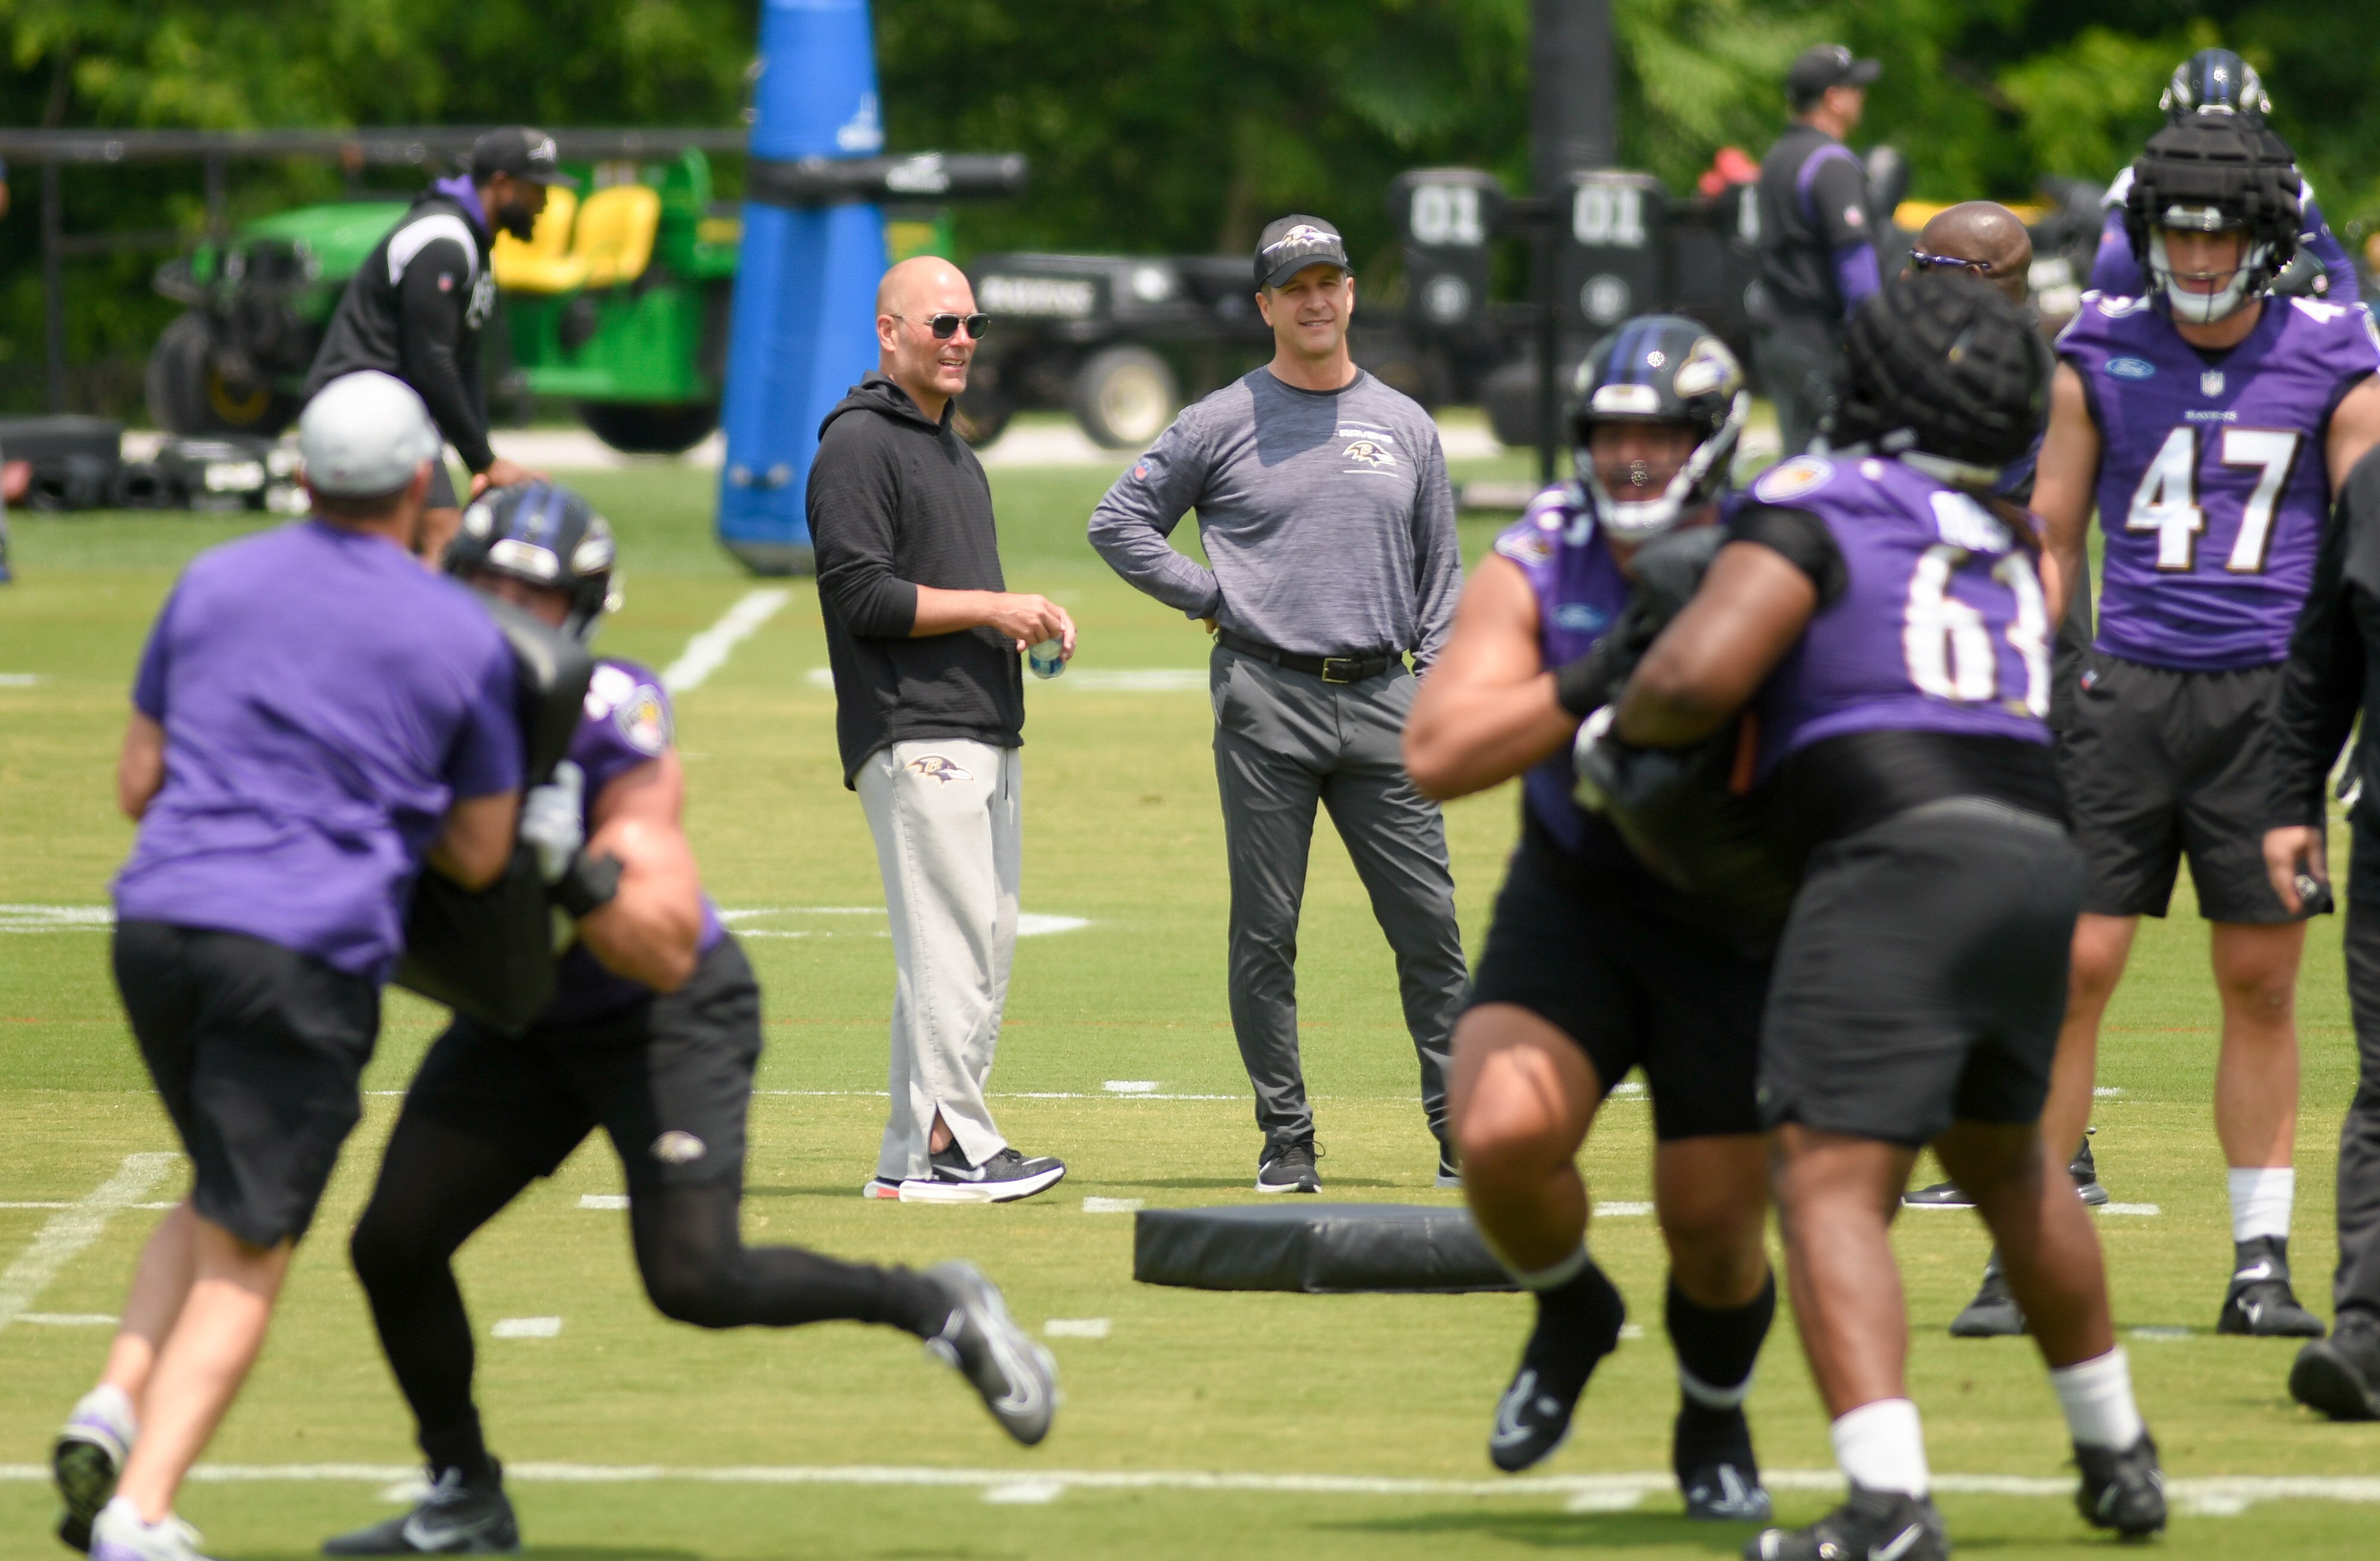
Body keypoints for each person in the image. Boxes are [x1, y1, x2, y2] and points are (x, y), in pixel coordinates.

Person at [320, 482, 1060, 1554]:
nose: (507, 613)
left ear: (578, 610)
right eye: (488, 586)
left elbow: (662, 936)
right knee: (393, 1243)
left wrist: (565, 864)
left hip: (659, 1014)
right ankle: (465, 1490)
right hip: (520, 1018)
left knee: (696, 1281)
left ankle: (931, 1303)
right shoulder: (411, 700)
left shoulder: (606, 708)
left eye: (533, 593)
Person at [1612, 276, 2165, 1560]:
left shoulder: (1814, 499)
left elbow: (1696, 673)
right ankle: (2116, 1451)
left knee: (1826, 1180)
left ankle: (1888, 1500)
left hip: (1896, 856)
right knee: (2011, 1169)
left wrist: (1620, 725)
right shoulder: (1996, 533)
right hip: (2035, 852)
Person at [49, 372, 527, 1561]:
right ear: (425, 484)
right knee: (256, 1249)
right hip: (298, 950)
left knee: (224, 1186)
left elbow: (135, 784)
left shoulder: (213, 579)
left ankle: (113, 1403)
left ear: (304, 475)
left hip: (154, 929)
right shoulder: (454, 627)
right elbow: (479, 853)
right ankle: (141, 1512)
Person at [1951, 110, 2380, 1340]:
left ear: (2265, 239)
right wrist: (2010, 680)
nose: (2195, 263)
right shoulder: (2097, 346)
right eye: (2177, 238)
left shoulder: (2337, 351)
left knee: (2257, 981)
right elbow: (2050, 536)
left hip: (2269, 701)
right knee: (2071, 969)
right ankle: (2023, 1248)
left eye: (2219, 239)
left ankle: (2258, 1263)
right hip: (2124, 689)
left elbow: (2366, 553)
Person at [1403, 317, 1775, 1520]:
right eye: (1611, 433)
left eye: (1657, 434)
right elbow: (1438, 752)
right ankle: (1573, 1307)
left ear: (1710, 443)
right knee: (1497, 1132)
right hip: (1578, 895)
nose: (1629, 459)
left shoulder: (1776, 552)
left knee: (1714, 1231)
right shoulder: (1543, 555)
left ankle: (1711, 1418)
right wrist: (1604, 668)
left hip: (1732, 921)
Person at [1087, 214, 1466, 1192]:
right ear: (1265, 305)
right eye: (1295, 286)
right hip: (1266, 697)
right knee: (1267, 932)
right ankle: (1287, 1139)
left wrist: (1435, 680)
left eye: (1330, 281)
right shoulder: (1219, 420)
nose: (1315, 300)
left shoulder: (1406, 424)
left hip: (1387, 700)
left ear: (1349, 295)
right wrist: (1211, 596)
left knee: (1430, 930)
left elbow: (1444, 577)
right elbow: (1120, 519)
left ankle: (1464, 1136)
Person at [809, 256, 1073, 1203]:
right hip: (913, 727)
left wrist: (1025, 627)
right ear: (890, 333)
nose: (962, 341)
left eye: (973, 325)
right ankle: (960, 1146)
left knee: (969, 946)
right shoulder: (857, 444)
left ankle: (906, 1157)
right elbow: (861, 593)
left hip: (982, 723)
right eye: (942, 325)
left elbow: (958, 594)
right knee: (955, 947)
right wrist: (992, 609)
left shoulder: (950, 446)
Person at [1891, 204, 2113, 1220]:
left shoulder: (2027, 380)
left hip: (2024, 666)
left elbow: (2011, 519)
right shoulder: (1953, 363)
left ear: (1981, 279)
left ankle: (2060, 1157)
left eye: (1927, 266)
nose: (1909, 280)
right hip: (1962, 662)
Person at [304, 127, 561, 563]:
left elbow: (462, 363)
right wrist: (484, 460)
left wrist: (481, 462)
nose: (545, 204)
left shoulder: (473, 242)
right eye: (536, 189)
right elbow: (430, 361)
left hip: (387, 408)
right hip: (358, 404)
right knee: (440, 534)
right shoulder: (444, 241)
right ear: (501, 184)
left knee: (413, 543)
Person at [2266, 445, 2380, 1421]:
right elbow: (2324, 655)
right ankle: (2366, 1336)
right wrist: (2292, 799)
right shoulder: (2376, 485)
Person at [2089, 50, 2358, 305]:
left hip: (2258, 340)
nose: (2215, 145)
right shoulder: (2138, 182)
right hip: (2166, 333)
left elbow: (2337, 276)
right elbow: (2112, 286)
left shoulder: (2284, 183)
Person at [1750, 44, 1884, 454]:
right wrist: (1878, 336)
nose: (1862, 96)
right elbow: (1855, 264)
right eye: (1855, 88)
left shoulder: (1777, 157)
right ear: (1833, 98)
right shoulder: (1832, 162)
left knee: (1798, 456)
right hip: (1818, 339)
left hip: (1776, 330)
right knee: (1833, 462)